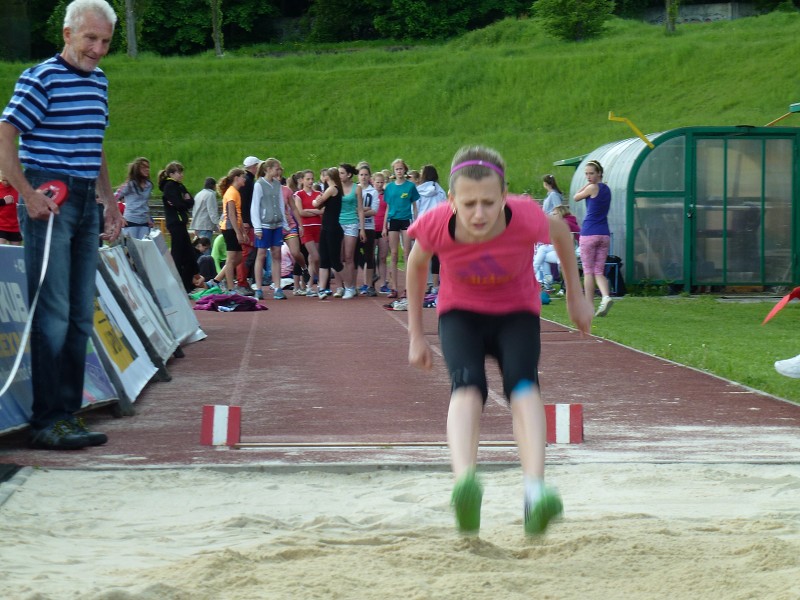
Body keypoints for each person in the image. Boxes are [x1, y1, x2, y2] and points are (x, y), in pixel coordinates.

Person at [405, 145, 593, 535]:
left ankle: (535, 491)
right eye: (469, 203)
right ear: (451, 200)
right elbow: (417, 263)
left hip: (515, 313)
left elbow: (560, 234)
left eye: (489, 203)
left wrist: (576, 298)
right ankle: (464, 485)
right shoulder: (436, 222)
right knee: (467, 386)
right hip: (461, 314)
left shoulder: (524, 215)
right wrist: (415, 334)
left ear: (504, 196)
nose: (479, 214)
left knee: (523, 385)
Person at [0, 0, 124, 450]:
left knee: (78, 314)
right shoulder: (40, 77)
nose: (98, 49)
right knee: (51, 314)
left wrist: (109, 200)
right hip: (49, 197)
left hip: (85, 199)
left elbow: (97, 141)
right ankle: (46, 418)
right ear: (68, 34)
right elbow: (5, 131)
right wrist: (24, 192)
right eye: (91, 38)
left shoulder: (101, 82)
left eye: (106, 41)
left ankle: (68, 414)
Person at [574, 159, 614, 317]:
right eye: (586, 174)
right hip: (604, 233)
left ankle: (589, 305)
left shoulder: (591, 188)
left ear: (599, 174)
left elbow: (577, 196)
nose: (588, 176)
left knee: (588, 271)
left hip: (589, 233)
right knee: (599, 270)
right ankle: (606, 296)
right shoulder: (607, 189)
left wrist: (586, 184)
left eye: (591, 173)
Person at [383, 158, 420, 303]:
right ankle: (394, 287)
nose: (399, 171)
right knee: (393, 254)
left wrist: (416, 223)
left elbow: (415, 206)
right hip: (393, 220)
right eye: (396, 169)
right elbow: (387, 207)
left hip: (406, 220)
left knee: (407, 253)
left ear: (405, 170)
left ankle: (407, 288)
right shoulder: (390, 188)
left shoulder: (410, 186)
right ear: (394, 171)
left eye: (401, 169)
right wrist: (385, 225)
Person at [158, 161, 197, 292]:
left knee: (189, 256)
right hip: (175, 223)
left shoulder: (179, 186)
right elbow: (179, 204)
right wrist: (184, 202)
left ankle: (186, 285)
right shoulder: (169, 186)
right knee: (178, 254)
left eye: (182, 172)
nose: (181, 175)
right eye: (179, 172)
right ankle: (176, 285)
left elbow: (190, 201)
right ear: (171, 174)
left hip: (181, 223)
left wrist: (184, 202)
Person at [251, 158, 287, 300]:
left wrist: (284, 223)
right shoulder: (259, 185)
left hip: (276, 224)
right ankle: (258, 288)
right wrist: (257, 227)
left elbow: (280, 204)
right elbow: (255, 206)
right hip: (264, 225)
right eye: (276, 169)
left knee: (277, 254)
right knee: (261, 254)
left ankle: (278, 287)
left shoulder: (277, 184)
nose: (278, 171)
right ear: (268, 169)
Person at [313, 167, 345, 299]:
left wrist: (316, 199)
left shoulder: (332, 189)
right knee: (324, 260)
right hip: (326, 227)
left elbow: (316, 203)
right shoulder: (333, 189)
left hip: (332, 228)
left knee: (335, 260)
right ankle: (321, 288)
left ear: (327, 177)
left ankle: (347, 285)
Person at [217, 167, 249, 295]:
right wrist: (238, 232)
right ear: (236, 178)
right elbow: (231, 215)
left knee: (239, 257)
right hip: (229, 228)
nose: (244, 179)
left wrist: (243, 232)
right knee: (231, 259)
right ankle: (230, 287)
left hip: (234, 227)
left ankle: (218, 279)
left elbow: (238, 215)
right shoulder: (231, 193)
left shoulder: (236, 192)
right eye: (243, 177)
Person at [416, 164, 447, 294]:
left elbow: (415, 208)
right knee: (436, 256)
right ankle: (435, 285)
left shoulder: (418, 190)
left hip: (423, 224)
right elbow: (445, 208)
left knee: (420, 255)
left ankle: (420, 284)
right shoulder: (440, 191)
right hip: (437, 225)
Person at [534, 205, 580, 290]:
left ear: (561, 213)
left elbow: (569, 242)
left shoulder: (565, 223)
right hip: (564, 247)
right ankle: (544, 281)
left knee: (542, 253)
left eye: (555, 214)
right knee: (543, 250)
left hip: (570, 250)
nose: (552, 215)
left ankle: (541, 281)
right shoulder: (569, 221)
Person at [336, 163, 366, 299]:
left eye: (341, 173)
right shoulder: (335, 188)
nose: (339, 175)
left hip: (351, 224)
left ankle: (350, 287)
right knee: (338, 257)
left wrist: (362, 229)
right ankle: (339, 286)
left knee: (349, 257)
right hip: (337, 223)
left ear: (349, 174)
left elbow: (360, 209)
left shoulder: (357, 188)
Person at [294, 169, 323, 297]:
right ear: (302, 180)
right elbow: (300, 212)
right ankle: (319, 283)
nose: (311, 181)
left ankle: (310, 286)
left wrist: (311, 211)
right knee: (315, 257)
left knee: (312, 259)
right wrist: (315, 211)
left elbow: (322, 211)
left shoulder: (318, 193)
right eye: (308, 179)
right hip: (306, 228)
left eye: (312, 179)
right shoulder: (298, 195)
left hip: (318, 227)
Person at [116, 157, 153, 239]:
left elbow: (145, 202)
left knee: (143, 247)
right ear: (137, 169)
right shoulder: (130, 185)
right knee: (132, 248)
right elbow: (114, 197)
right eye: (143, 168)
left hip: (144, 221)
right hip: (131, 220)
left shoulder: (149, 185)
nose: (147, 170)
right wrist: (119, 216)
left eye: (148, 167)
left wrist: (148, 218)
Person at [238, 156, 260, 291]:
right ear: (254, 166)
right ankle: (241, 282)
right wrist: (246, 221)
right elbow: (245, 204)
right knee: (247, 252)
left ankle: (243, 281)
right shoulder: (248, 182)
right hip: (247, 222)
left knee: (248, 252)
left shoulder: (249, 181)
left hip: (247, 221)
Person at [356, 162, 378, 296]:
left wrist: (360, 211)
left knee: (370, 256)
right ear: (358, 176)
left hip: (369, 226)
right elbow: (351, 210)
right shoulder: (355, 189)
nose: (363, 177)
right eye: (361, 175)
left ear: (369, 176)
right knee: (354, 255)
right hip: (355, 226)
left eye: (366, 175)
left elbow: (374, 211)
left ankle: (369, 285)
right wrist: (364, 210)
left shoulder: (373, 191)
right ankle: (355, 284)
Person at [192, 177, 219, 241]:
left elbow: (194, 210)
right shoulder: (210, 195)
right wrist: (218, 223)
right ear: (214, 186)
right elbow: (212, 211)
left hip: (197, 225)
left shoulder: (198, 194)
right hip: (206, 225)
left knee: (200, 247)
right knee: (206, 247)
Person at [0, 170, 21, 245]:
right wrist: (3, 201)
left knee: (15, 253)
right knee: (2, 251)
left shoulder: (18, 189)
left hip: (15, 227)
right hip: (1, 226)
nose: (5, 176)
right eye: (3, 173)